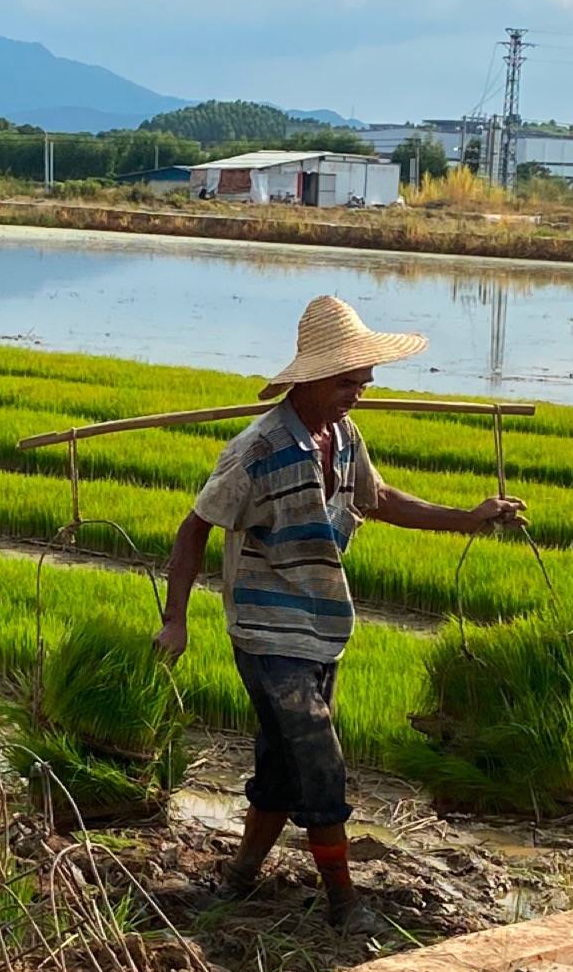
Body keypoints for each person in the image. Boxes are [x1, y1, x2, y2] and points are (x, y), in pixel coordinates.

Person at [156, 293, 521, 929]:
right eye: (352, 378)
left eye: (365, 377)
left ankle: (239, 877)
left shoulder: (343, 437)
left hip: (324, 626)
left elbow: (377, 499)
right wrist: (175, 618)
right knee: (320, 757)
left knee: (280, 762)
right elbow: (194, 529)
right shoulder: (257, 450)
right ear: (316, 377)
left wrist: (466, 517)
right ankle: (343, 903)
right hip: (267, 634)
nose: (365, 387)